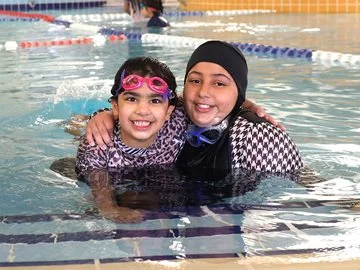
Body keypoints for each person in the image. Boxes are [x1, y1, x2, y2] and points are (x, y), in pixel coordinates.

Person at [86, 40, 303, 174]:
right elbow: (143, 102)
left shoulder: (258, 137)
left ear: (239, 91)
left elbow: (297, 186)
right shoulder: (178, 111)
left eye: (219, 83)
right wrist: (103, 115)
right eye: (195, 81)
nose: (203, 93)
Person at [75, 56, 187, 222]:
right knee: (76, 128)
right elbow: (103, 197)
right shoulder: (97, 145)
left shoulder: (178, 121)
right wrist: (112, 210)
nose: (143, 110)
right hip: (103, 133)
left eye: (155, 100)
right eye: (131, 99)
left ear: (169, 111)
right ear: (115, 106)